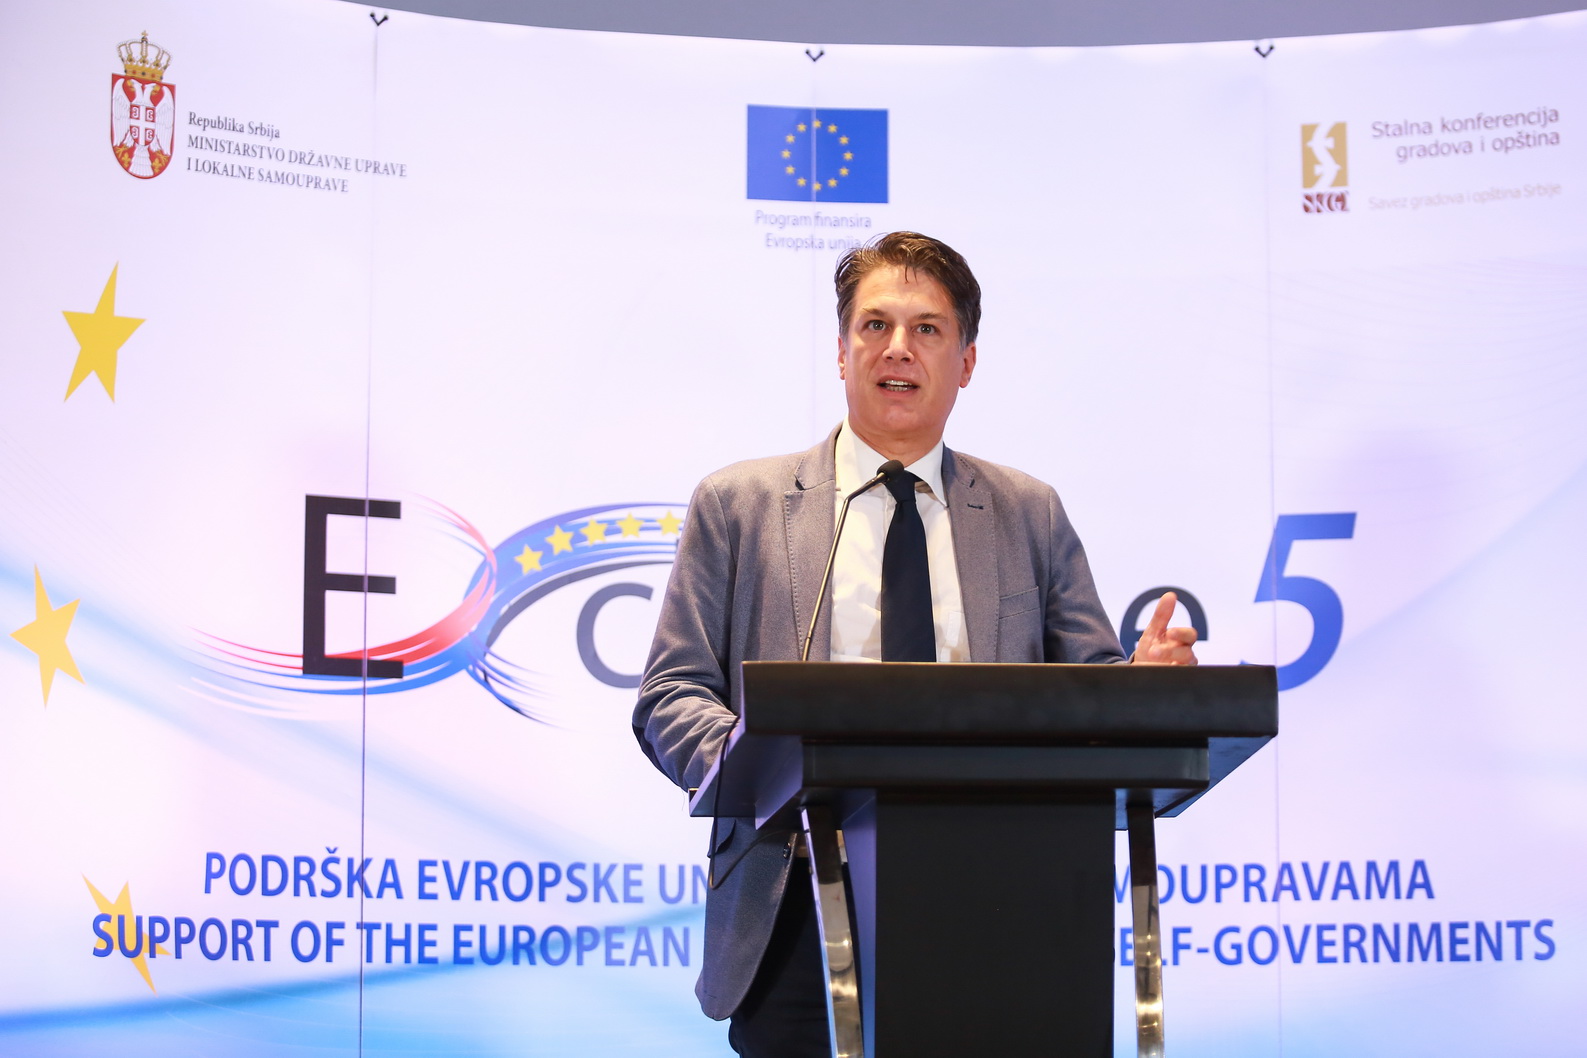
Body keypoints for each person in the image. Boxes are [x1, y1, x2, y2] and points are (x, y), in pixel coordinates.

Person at [632, 231, 1197, 1057]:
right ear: (841, 350)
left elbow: (1090, 691)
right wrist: (756, 765)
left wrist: (1144, 691)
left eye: (926, 329)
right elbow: (671, 692)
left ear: (965, 362)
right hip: (797, 896)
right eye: (875, 325)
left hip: (997, 896)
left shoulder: (1027, 512)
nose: (897, 347)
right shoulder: (738, 504)